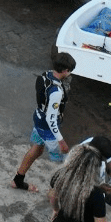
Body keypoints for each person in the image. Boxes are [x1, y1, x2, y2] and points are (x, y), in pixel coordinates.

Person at [15, 52, 76, 191]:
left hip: (38, 117)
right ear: (65, 70)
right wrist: (61, 141)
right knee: (62, 159)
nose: (70, 73)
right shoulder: (56, 92)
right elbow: (51, 119)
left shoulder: (45, 74)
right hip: (47, 127)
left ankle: (18, 180)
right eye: (70, 71)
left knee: (37, 149)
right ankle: (59, 191)